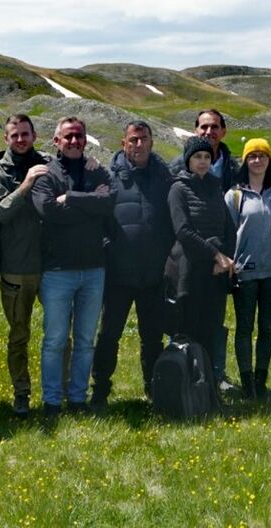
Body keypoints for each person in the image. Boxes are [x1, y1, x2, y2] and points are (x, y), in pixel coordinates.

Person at [30, 117, 116, 418]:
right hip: (57, 271)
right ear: (57, 141)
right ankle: (52, 401)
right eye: (68, 136)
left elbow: (109, 201)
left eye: (79, 136)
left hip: (94, 269)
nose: (74, 141)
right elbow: (48, 210)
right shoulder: (46, 174)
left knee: (85, 340)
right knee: (55, 340)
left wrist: (72, 198)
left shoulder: (96, 170)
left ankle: (78, 399)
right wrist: (90, 207)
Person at [91, 121, 174, 409]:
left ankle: (153, 389)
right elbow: (99, 221)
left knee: (152, 337)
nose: (139, 145)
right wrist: (109, 249)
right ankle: (100, 390)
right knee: (108, 335)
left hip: (153, 275)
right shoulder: (108, 177)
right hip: (118, 275)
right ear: (123, 143)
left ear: (152, 142)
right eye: (134, 140)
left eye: (144, 139)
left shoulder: (164, 178)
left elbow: (172, 222)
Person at [0, 114, 50, 417]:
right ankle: (21, 393)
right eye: (15, 135)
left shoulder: (49, 163)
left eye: (25, 134)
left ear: (34, 135)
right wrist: (26, 184)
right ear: (6, 139)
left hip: (51, 266)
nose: (21, 139)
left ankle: (58, 391)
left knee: (59, 334)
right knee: (19, 335)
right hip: (16, 268)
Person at [169, 108, 240, 391]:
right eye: (197, 156)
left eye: (206, 157)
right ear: (188, 160)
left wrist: (225, 258)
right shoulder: (178, 188)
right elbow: (183, 230)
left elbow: (229, 228)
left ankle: (210, 385)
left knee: (213, 327)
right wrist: (215, 255)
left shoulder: (214, 187)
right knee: (188, 327)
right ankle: (185, 386)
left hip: (215, 271)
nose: (202, 161)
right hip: (189, 269)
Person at [225, 138, 271, 400]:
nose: (257, 160)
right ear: (245, 161)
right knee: (244, 328)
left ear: (269, 160)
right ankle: (246, 381)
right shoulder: (234, 195)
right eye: (252, 156)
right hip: (244, 271)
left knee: (267, 327)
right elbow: (227, 232)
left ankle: (261, 379)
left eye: (262, 155)